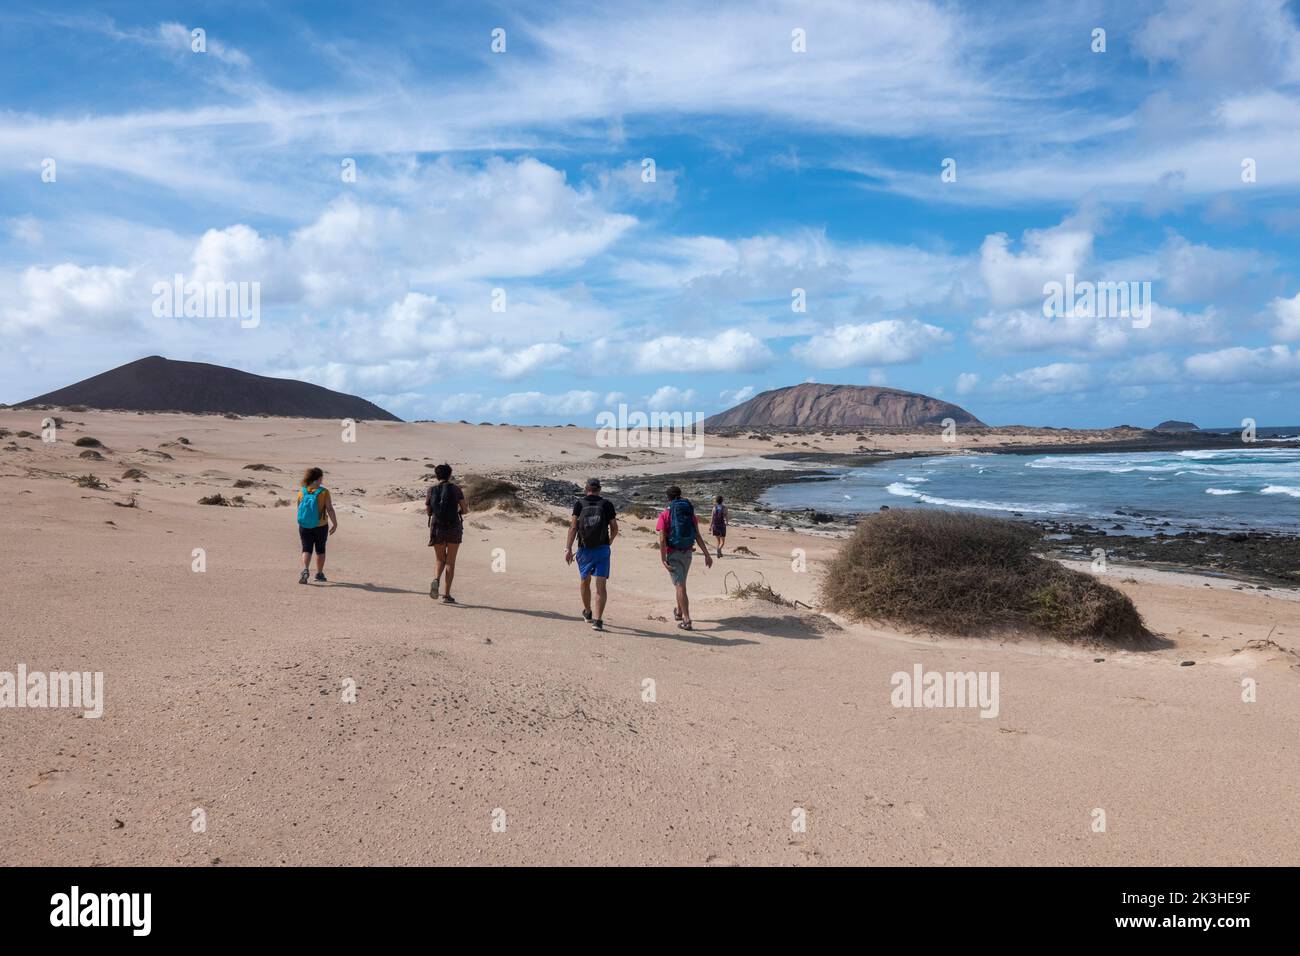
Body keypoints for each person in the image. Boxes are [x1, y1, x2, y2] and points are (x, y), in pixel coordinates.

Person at [657, 485, 713, 630]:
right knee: (681, 584)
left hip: (673, 553)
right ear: (680, 495)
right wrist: (707, 555)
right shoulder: (689, 513)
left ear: (667, 498)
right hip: (688, 553)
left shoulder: (665, 515)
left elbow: (662, 539)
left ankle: (687, 620)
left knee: (680, 585)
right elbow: (697, 535)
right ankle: (679, 611)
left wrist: (663, 558)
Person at [565, 478, 618, 632]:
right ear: (599, 489)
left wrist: (568, 548)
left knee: (585, 581)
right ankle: (598, 620)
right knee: (601, 585)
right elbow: (614, 527)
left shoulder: (579, 504)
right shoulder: (606, 504)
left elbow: (573, 527)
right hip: (602, 549)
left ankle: (588, 612)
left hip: (584, 549)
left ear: (586, 488)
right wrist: (610, 541)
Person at [426, 463, 467, 604]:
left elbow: (429, 512)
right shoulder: (456, 489)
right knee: (450, 562)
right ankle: (447, 595)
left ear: (437, 475)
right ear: (450, 475)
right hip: (453, 527)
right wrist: (458, 512)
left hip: (437, 527)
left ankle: (436, 579)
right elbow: (465, 509)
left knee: (439, 559)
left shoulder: (431, 490)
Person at [296, 467, 338, 584]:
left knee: (306, 548)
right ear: (318, 478)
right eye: (321, 478)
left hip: (304, 525)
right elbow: (329, 509)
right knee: (320, 550)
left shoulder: (302, 491)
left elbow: (299, 508)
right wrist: (335, 523)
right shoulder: (324, 492)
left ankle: (305, 570)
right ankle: (319, 574)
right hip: (321, 526)